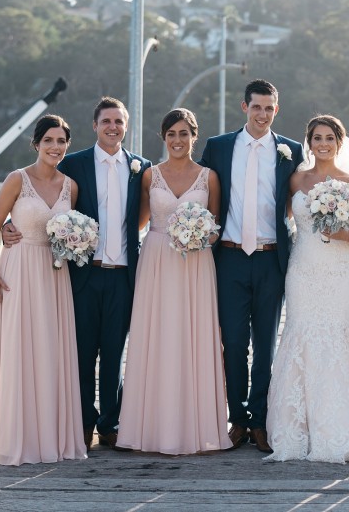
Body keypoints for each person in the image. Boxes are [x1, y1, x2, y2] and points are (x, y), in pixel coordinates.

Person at [3, 97, 151, 449]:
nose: (112, 127)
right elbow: (43, 194)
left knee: (115, 352)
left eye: (118, 121)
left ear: (126, 126)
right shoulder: (74, 164)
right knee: (83, 352)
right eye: (106, 121)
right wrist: (13, 222)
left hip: (123, 274)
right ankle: (83, 421)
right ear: (96, 125)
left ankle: (110, 424)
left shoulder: (140, 167)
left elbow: (143, 217)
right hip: (82, 274)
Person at [265, 115, 349, 463]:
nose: (323, 143)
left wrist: (341, 234)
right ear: (308, 142)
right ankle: (295, 432)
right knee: (300, 336)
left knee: (336, 341)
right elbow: (282, 217)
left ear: (339, 141)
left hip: (340, 271)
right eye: (317, 137)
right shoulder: (295, 180)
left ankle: (338, 429)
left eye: (330, 137)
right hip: (303, 268)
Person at [0, 114, 87, 465]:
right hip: (18, 271)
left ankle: (49, 437)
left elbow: (71, 230)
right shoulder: (17, 180)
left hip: (54, 276)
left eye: (61, 141)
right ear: (36, 144)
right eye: (49, 140)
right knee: (19, 350)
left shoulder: (71, 186)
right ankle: (13, 436)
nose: (55, 147)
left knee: (50, 352)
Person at [199, 79, 303, 453]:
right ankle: (237, 420)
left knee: (265, 343)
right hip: (228, 258)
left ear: (277, 109)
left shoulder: (291, 150)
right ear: (244, 107)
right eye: (256, 107)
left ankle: (259, 420)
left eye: (269, 108)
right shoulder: (219, 147)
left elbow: (310, 189)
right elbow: (196, 190)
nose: (263, 114)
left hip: (271, 258)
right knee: (233, 342)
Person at [117, 109, 229, 454]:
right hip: (157, 259)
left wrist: (197, 236)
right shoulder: (150, 175)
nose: (177, 140)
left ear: (194, 136)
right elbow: (134, 223)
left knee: (193, 336)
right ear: (163, 138)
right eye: (171, 135)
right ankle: (149, 426)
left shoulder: (209, 177)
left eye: (184, 134)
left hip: (196, 263)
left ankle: (195, 426)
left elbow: (216, 228)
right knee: (157, 335)